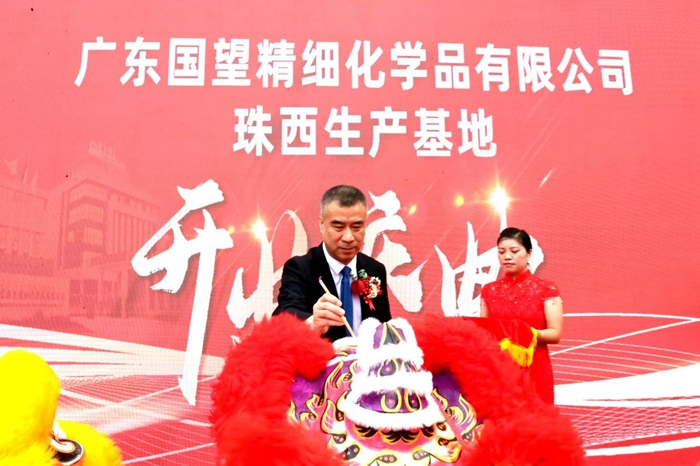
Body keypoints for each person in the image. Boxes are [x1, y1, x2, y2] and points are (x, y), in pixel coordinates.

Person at [273, 185, 391, 341]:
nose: (348, 237)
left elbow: (383, 325)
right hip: (322, 356)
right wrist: (312, 323)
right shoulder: (300, 268)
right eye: (338, 227)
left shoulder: (374, 269)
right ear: (322, 224)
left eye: (357, 227)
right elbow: (285, 313)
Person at [480, 227, 564, 404]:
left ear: (529, 254)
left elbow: (555, 333)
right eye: (501, 252)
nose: (507, 256)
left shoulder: (546, 289)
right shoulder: (489, 290)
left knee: (536, 418)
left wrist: (526, 333)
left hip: (535, 367)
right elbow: (484, 333)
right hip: (499, 370)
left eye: (514, 251)